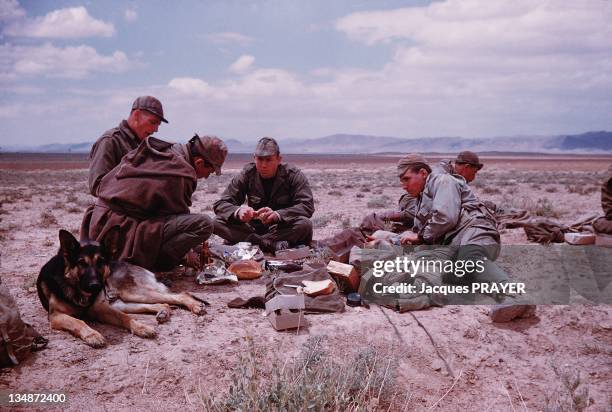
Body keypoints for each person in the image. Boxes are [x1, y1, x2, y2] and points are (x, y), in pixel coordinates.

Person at [396, 154, 534, 321]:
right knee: (451, 273)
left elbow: (445, 217)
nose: (403, 185)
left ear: (423, 173)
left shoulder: (442, 181)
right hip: (456, 240)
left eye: (406, 179)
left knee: (470, 259)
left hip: (476, 231)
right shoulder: (421, 198)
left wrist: (420, 236)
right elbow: (422, 232)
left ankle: (516, 295)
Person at [86, 134, 227, 271]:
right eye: (210, 171)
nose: (207, 176)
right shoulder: (182, 172)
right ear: (199, 162)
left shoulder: (167, 150)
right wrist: (185, 253)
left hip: (100, 221)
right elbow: (175, 219)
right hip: (120, 231)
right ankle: (160, 264)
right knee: (204, 225)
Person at [213, 137, 314, 253]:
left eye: (269, 160)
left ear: (279, 159)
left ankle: (253, 243)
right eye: (260, 159)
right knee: (216, 222)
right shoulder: (247, 174)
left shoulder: (293, 175)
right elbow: (220, 204)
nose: (264, 165)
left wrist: (278, 215)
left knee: (305, 224)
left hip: (281, 229)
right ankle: (268, 244)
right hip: (253, 229)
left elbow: (307, 206)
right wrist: (238, 212)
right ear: (254, 158)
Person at [88, 96, 168, 196]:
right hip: (117, 210)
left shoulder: (144, 144)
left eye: (158, 125)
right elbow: (97, 186)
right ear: (137, 115)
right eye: (153, 122)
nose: (156, 129)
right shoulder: (110, 141)